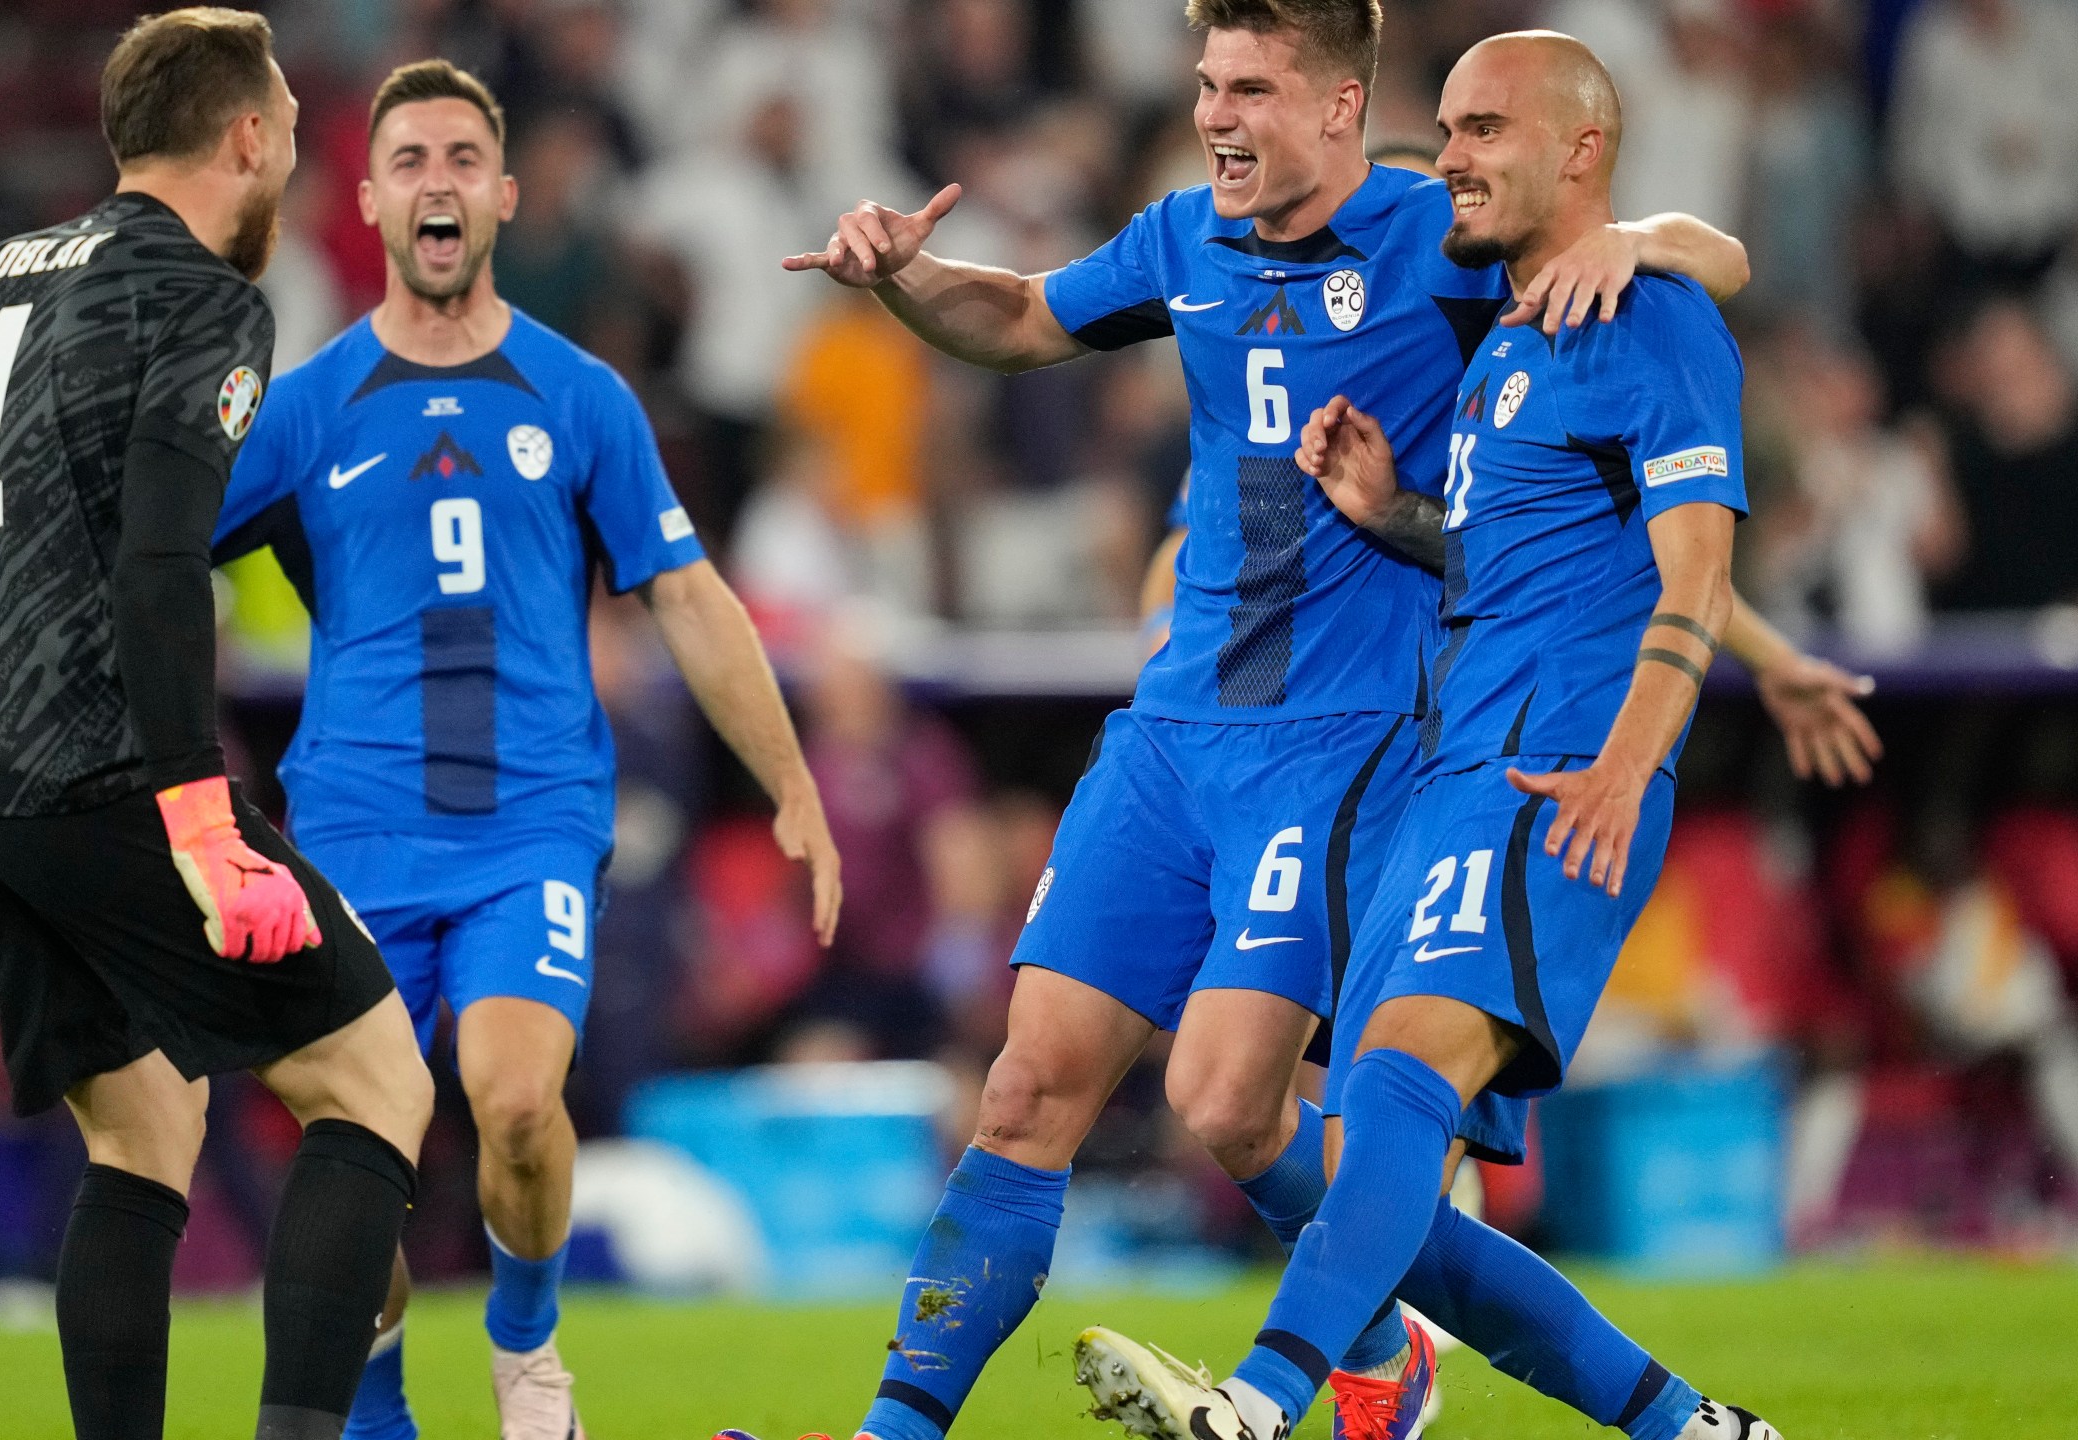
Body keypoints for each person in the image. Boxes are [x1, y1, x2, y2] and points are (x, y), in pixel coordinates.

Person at [774, 3, 1867, 1439]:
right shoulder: (1184, 241)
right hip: (1177, 728)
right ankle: (900, 1432)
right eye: (1205, 85)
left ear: (1343, 104)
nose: (1215, 117)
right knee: (1027, 1084)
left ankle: (1403, 1340)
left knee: (1229, 1105)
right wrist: (902, 282)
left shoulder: (1441, 244)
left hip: (1347, 741)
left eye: (1251, 90)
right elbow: (1030, 316)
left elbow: (1641, 405)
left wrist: (1645, 243)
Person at [1073, 31, 1784, 1440]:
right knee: (1375, 1148)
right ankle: (1692, 1428)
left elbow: (1695, 576)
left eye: (1486, 130)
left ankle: (1266, 1403)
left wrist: (1629, 765)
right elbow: (1507, 567)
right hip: (1448, 776)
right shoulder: (1502, 346)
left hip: (1552, 770)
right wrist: (1392, 514)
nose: (1450, 153)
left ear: (1581, 150)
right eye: (1446, 128)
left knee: (1393, 1081)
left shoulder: (1646, 315)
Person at [209, 61, 839, 1440]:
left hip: (528, 828)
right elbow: (147, 553)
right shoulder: (307, 406)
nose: (437, 180)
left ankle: (524, 1339)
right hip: (358, 828)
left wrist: (792, 782)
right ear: (369, 200)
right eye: (410, 159)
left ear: (501, 192)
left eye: (462, 158)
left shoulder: (581, 395)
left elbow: (685, 590)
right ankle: (377, 1403)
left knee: (509, 1102)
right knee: (358, 1148)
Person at [0, 13, 430, 1439]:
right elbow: (162, 564)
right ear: (245, 138)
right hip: (98, 773)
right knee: (374, 1084)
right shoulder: (204, 298)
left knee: (145, 1128)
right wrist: (202, 824)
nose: (294, 151)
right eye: (290, 126)